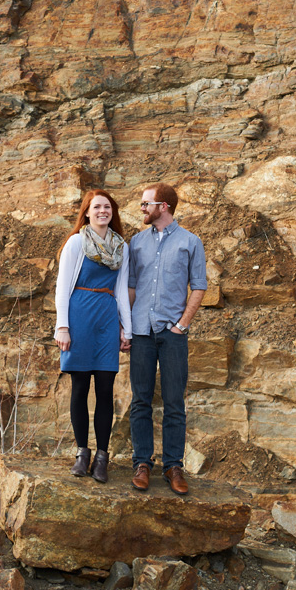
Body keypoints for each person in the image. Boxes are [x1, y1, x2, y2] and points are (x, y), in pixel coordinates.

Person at [128, 182, 207, 496]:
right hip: (141, 333)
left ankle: (174, 466)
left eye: (146, 204)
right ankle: (142, 463)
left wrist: (182, 325)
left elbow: (198, 287)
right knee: (140, 401)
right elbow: (131, 287)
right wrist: (127, 325)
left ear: (164, 206)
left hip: (173, 335)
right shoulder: (135, 243)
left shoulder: (191, 242)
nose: (142, 209)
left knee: (174, 403)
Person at [54, 189, 132, 483]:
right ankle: (82, 453)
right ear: (86, 212)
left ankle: (102, 457)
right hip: (79, 316)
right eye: (97, 207)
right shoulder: (76, 242)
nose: (103, 211)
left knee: (104, 389)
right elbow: (63, 288)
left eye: (107, 206)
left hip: (107, 318)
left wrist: (128, 329)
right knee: (79, 387)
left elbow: (122, 290)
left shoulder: (121, 246)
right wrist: (63, 326)